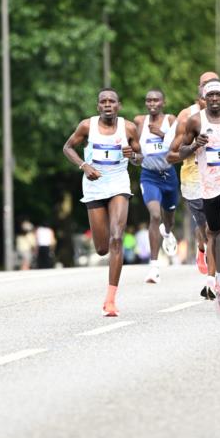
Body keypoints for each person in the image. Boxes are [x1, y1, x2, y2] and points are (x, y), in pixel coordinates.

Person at [171, 80, 220, 314]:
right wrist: (196, 144)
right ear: (205, 98)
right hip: (208, 185)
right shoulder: (195, 121)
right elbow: (181, 151)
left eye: (218, 95)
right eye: (210, 95)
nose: (214, 99)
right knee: (215, 234)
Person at [63, 87, 142, 316]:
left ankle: (110, 300)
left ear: (118, 105)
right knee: (101, 248)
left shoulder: (128, 128)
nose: (108, 105)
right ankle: (109, 290)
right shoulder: (87, 126)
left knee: (117, 238)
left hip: (118, 182)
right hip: (94, 184)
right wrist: (84, 165)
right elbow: (68, 147)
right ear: (98, 106)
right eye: (103, 101)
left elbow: (139, 157)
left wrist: (133, 156)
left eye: (112, 101)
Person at [168, 71, 220, 295]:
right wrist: (192, 145)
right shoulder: (186, 116)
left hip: (218, 177)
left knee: (215, 230)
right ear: (199, 91)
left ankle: (214, 281)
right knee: (204, 230)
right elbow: (173, 152)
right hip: (193, 177)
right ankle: (201, 249)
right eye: (205, 86)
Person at [133, 89, 178, 284]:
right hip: (149, 176)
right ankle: (154, 268)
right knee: (155, 215)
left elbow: (179, 144)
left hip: (169, 176)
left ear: (163, 103)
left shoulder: (171, 120)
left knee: (168, 219)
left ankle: (167, 233)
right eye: (149, 100)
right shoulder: (139, 122)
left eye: (156, 100)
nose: (152, 103)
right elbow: (136, 155)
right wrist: (133, 158)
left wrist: (161, 133)